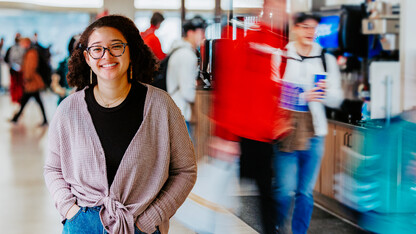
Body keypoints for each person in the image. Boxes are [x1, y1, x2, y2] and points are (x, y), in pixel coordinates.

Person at [43, 15, 196, 234]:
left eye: (116, 46)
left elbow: (185, 170)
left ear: (131, 50)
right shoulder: (68, 110)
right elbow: (53, 168)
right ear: (87, 57)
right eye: (97, 49)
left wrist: (150, 218)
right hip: (83, 224)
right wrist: (69, 210)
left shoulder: (162, 106)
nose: (106, 55)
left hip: (141, 225)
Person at [273, 12, 344, 234]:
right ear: (294, 28)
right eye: (305, 27)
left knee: (304, 191)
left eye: (313, 29)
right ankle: (276, 227)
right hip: (286, 131)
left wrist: (322, 95)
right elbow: (273, 94)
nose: (309, 33)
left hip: (315, 134)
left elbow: (337, 98)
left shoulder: (326, 59)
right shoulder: (281, 56)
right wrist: (303, 95)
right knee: (284, 190)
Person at [166, 15, 206, 136]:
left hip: (176, 111)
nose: (203, 36)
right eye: (200, 32)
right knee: (185, 152)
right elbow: (187, 92)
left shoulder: (179, 51)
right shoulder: (186, 55)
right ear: (190, 33)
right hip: (181, 112)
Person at [10, 37, 48, 126]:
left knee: (29, 100)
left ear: (27, 43)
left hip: (32, 81)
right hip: (31, 81)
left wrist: (27, 77)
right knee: (29, 100)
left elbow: (31, 67)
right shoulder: (29, 52)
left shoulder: (31, 53)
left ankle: (16, 118)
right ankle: (16, 118)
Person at [50, 34, 79, 104]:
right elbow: (54, 85)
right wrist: (67, 92)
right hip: (66, 102)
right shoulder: (63, 64)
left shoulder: (88, 65)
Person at [4, 33, 25, 104]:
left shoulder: (23, 48)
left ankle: (19, 99)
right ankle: (15, 99)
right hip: (14, 71)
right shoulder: (11, 48)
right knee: (14, 85)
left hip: (20, 71)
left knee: (19, 85)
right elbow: (6, 59)